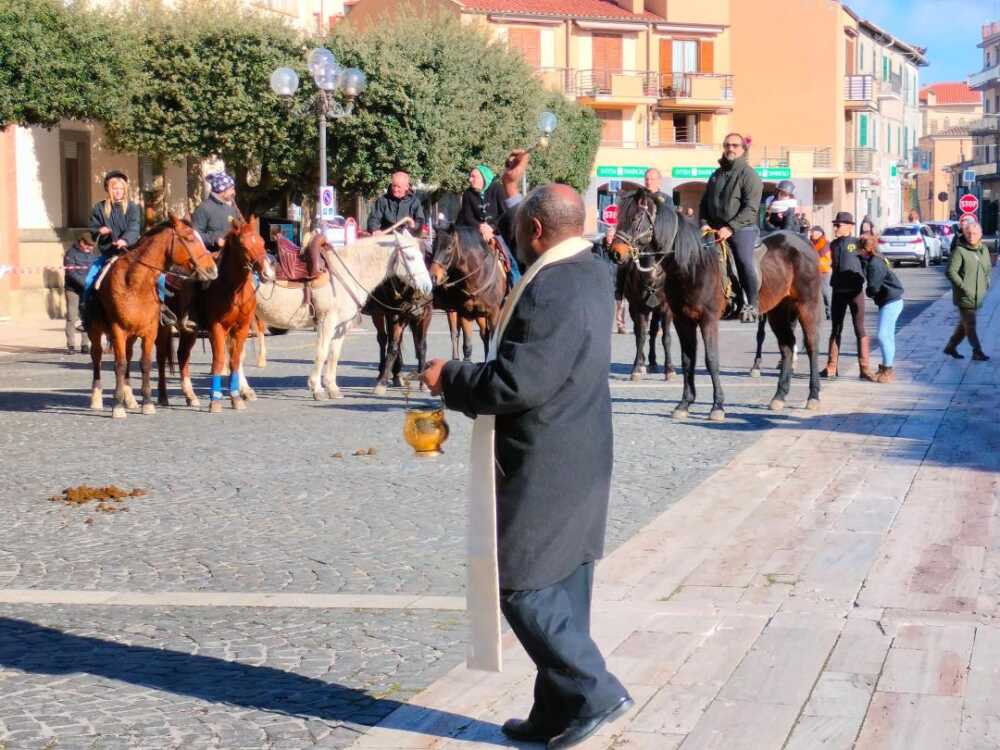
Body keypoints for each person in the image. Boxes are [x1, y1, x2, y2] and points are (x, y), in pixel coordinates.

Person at [421, 169, 633, 749]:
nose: (512, 241)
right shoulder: (592, 271)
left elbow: (521, 381)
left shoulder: (552, 285)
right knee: (564, 582)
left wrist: (452, 378)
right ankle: (554, 711)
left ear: (535, 231)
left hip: (549, 457)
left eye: (517, 231)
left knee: (522, 584)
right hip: (583, 448)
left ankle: (594, 690)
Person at [700, 133, 764, 322]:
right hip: (713, 228)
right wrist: (704, 223)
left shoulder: (749, 175)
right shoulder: (716, 174)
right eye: (727, 145)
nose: (730, 148)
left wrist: (731, 227)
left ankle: (751, 303)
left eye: (735, 145)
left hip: (742, 228)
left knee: (743, 261)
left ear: (743, 149)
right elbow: (703, 203)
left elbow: (751, 208)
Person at [79, 171, 151, 327]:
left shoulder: (133, 208)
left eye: (121, 189)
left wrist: (125, 240)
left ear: (125, 190)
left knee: (157, 279)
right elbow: (93, 227)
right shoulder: (99, 208)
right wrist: (100, 231)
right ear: (109, 189)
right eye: (115, 188)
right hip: (108, 253)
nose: (118, 191)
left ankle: (162, 312)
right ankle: (86, 315)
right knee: (90, 280)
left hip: (130, 253)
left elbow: (134, 227)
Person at [823, 212, 876, 381]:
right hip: (838, 291)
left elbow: (870, 260)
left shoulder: (857, 243)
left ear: (849, 226)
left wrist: (868, 281)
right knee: (836, 328)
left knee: (859, 328)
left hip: (855, 291)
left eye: (839, 225)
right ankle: (831, 367)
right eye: (835, 225)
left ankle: (865, 368)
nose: (836, 228)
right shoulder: (833, 244)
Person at [457, 164, 521, 284]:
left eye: (473, 176)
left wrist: (491, 228)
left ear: (483, 178)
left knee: (511, 259)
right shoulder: (468, 194)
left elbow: (505, 214)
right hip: (477, 233)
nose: (470, 179)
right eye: (470, 176)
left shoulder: (497, 189)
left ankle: (516, 287)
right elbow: (467, 216)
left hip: (499, 232)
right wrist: (480, 227)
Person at [944, 218, 992, 361]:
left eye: (974, 233)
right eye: (968, 233)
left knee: (964, 324)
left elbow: (987, 268)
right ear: (964, 234)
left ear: (980, 235)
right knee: (970, 324)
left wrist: (986, 282)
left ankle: (950, 347)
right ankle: (977, 351)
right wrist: (963, 287)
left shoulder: (984, 250)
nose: (971, 236)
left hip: (978, 295)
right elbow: (950, 271)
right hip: (964, 295)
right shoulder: (960, 250)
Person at [859, 233, 904, 383]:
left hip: (890, 300)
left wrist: (868, 292)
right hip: (892, 300)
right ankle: (886, 367)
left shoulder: (874, 264)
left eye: (860, 249)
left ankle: (888, 370)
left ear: (866, 249)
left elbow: (873, 286)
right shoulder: (877, 258)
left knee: (883, 335)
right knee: (888, 336)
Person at [64, 232, 96, 353]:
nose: (91, 248)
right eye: (89, 245)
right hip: (73, 289)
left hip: (87, 290)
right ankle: (71, 345)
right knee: (72, 316)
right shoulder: (70, 254)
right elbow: (71, 273)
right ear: (82, 243)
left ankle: (85, 344)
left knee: (86, 316)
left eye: (92, 246)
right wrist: (86, 284)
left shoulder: (92, 255)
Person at [193, 172, 243, 251]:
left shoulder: (232, 208)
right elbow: (195, 234)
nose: (234, 193)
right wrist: (215, 240)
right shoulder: (204, 208)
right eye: (231, 189)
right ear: (222, 190)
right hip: (211, 257)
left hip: (232, 255)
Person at [367, 170, 425, 235]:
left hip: (407, 239)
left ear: (406, 187)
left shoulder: (414, 202)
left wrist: (414, 227)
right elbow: (374, 219)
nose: (395, 189)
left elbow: (420, 221)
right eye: (394, 186)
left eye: (399, 187)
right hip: (386, 239)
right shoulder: (383, 201)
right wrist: (374, 230)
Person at [810, 225, 832, 320]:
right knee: (812, 293)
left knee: (825, 292)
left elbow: (820, 255)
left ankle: (829, 311)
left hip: (823, 270)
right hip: (812, 270)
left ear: (820, 233)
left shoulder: (825, 243)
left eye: (813, 232)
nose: (812, 234)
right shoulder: (811, 242)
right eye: (811, 232)